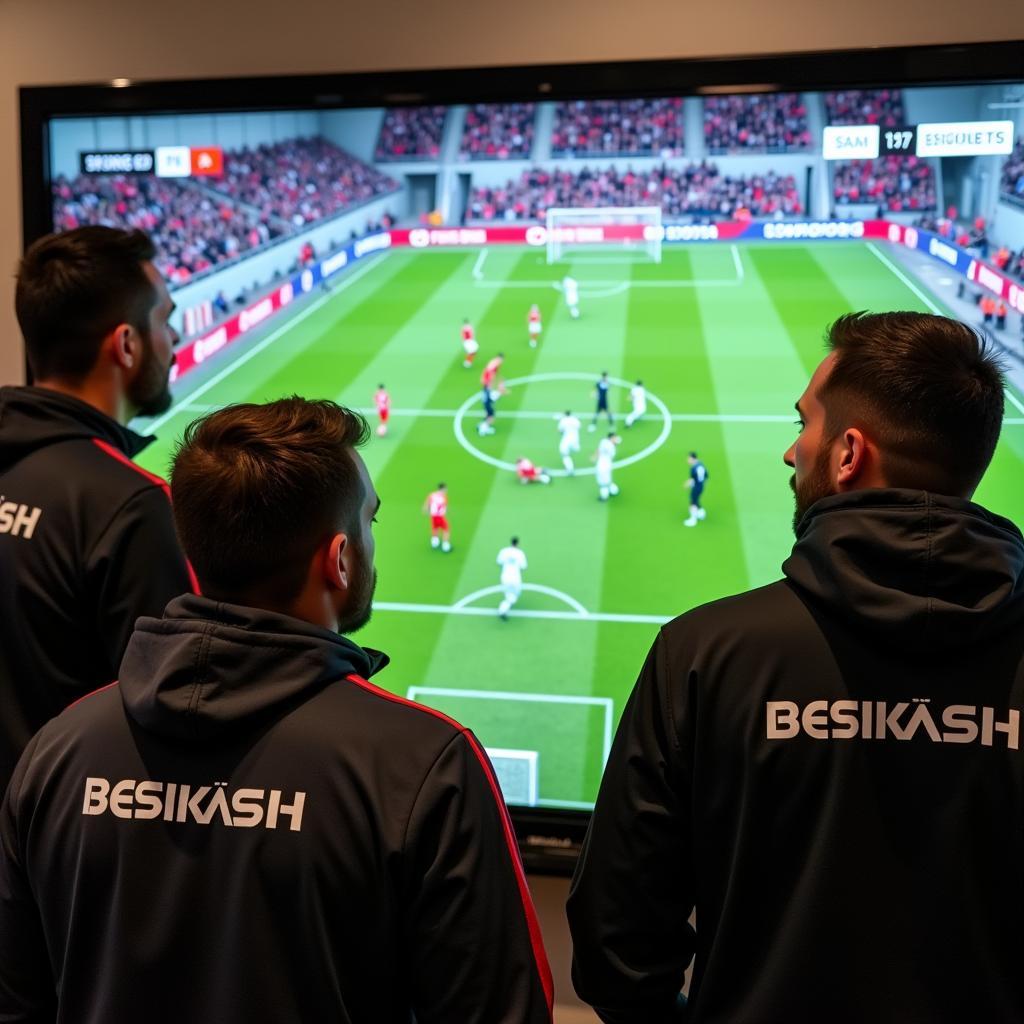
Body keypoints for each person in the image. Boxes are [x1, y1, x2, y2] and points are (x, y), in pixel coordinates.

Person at [0, 398, 554, 1023]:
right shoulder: (423, 767)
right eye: (370, 521)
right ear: (339, 558)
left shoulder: (57, 753)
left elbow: (17, 1005)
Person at [567, 312, 1022, 1024]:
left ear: (848, 454)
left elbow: (616, 942)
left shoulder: (707, 652)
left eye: (803, 423)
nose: (789, 451)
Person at [0, 226, 195, 796]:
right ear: (126, 344)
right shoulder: (127, 503)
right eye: (165, 318)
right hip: (55, 861)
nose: (176, 336)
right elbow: (176, 719)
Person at [497, 536, 528, 620]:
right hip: (515, 578)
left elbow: (499, 562)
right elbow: (524, 566)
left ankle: (505, 606)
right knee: (514, 596)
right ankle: (502, 610)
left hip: (505, 577)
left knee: (509, 594)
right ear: (517, 543)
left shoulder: (503, 551)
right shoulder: (520, 553)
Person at [423, 481, 452, 552]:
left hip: (433, 516)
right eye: (445, 489)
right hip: (440, 516)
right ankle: (446, 546)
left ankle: (434, 543)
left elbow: (426, 506)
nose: (446, 491)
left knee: (435, 528)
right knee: (446, 529)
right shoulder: (443, 497)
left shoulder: (431, 495)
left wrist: (428, 511)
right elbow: (444, 506)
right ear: (443, 489)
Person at [593, 432, 620, 501]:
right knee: (607, 480)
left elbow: (599, 450)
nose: (615, 439)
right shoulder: (611, 446)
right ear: (611, 438)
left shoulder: (603, 441)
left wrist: (595, 457)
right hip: (606, 464)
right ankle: (614, 491)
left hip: (602, 465)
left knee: (603, 483)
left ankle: (604, 496)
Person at [684, 451, 708, 526]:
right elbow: (706, 476)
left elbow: (692, 479)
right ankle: (701, 513)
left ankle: (693, 520)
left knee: (692, 502)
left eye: (689, 459)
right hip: (701, 486)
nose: (687, 460)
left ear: (692, 458)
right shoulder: (701, 465)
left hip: (696, 487)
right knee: (696, 500)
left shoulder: (694, 468)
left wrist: (687, 484)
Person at [557, 409, 582, 474]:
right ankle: (569, 463)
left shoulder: (563, 420)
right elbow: (579, 426)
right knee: (570, 451)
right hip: (576, 440)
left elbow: (560, 430)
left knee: (564, 453)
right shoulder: (575, 419)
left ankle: (569, 468)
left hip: (567, 439)